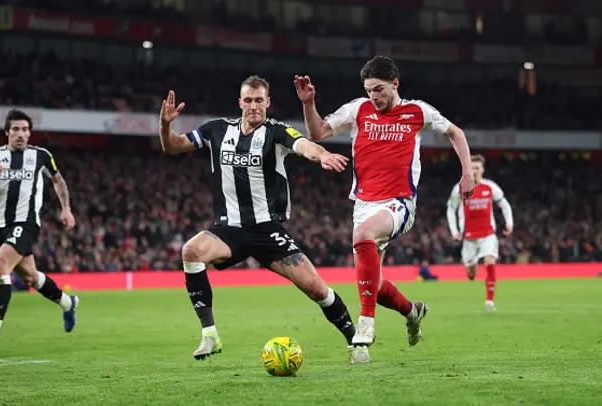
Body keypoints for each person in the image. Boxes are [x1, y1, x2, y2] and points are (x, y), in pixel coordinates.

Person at [159, 76, 361, 362]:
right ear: (240, 103)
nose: (254, 106)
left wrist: (322, 154)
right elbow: (173, 146)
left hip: (267, 230)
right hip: (228, 229)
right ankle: (210, 336)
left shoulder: (277, 131)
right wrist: (166, 123)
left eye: (259, 101)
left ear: (267, 103)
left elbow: (304, 145)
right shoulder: (217, 129)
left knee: (316, 288)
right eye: (248, 100)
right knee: (191, 251)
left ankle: (356, 341)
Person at [295, 55, 475, 363]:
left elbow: (455, 133)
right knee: (373, 287)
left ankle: (365, 326)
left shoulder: (417, 111)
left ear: (394, 83)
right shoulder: (357, 109)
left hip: (400, 203)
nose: (373, 97)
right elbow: (319, 134)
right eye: (368, 90)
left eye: (378, 89)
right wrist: (308, 103)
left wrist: (468, 172)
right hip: (364, 203)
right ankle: (413, 312)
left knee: (363, 236)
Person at [0, 109, 79, 347]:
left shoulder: (41, 156)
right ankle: (68, 303)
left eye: (25, 130)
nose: (21, 134)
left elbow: (58, 180)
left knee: (0, 265)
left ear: (30, 134)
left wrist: (66, 208)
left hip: (26, 223)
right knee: (31, 277)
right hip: (3, 225)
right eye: (16, 129)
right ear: (7, 132)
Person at [446, 154, 513, 312]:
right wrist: (454, 231)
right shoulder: (460, 188)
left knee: (490, 261)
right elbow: (451, 209)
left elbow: (504, 204)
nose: (475, 171)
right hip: (468, 237)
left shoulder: (490, 187)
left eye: (477, 168)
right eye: (472, 167)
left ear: (482, 170)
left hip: (487, 234)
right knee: (471, 274)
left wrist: (509, 223)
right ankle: (471, 266)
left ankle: (489, 301)